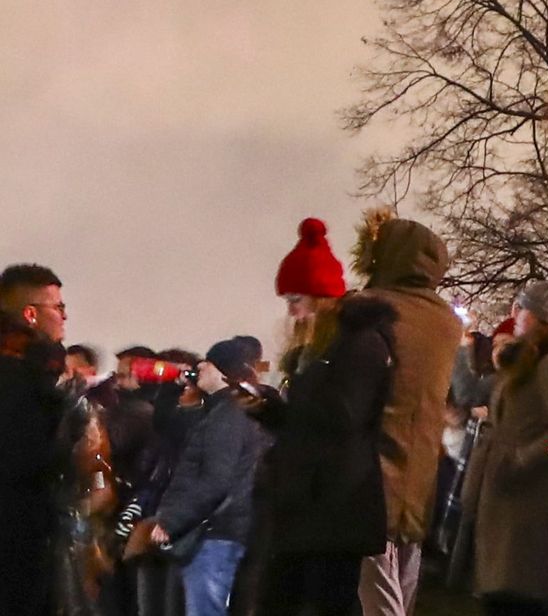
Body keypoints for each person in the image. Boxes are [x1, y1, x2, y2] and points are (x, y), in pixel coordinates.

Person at [257, 218, 396, 616]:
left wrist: (291, 403)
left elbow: (343, 414)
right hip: (310, 505)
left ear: (320, 297)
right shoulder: (319, 350)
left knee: (327, 602)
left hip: (335, 506)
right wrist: (269, 410)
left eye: (295, 301)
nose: (292, 313)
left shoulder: (360, 342)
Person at [457, 271, 548, 616]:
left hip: (531, 505)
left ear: (545, 321)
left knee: (532, 598)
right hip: (509, 503)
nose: (517, 314)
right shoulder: (524, 365)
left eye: (525, 309)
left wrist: (523, 458)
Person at [352, 210, 463, 616]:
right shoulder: (446, 322)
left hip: (370, 474)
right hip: (420, 477)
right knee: (402, 584)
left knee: (375, 596)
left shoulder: (370, 310)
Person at [147, 339, 266, 616]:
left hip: (216, 534)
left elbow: (216, 479)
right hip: (218, 531)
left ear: (222, 371)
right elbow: (168, 425)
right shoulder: (222, 410)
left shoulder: (228, 416)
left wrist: (172, 521)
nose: (199, 368)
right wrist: (171, 385)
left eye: (207, 363)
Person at [0, 263, 70, 616]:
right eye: (57, 308)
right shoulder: (22, 376)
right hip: (18, 530)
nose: (65, 316)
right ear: (30, 314)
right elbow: (24, 456)